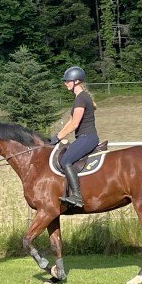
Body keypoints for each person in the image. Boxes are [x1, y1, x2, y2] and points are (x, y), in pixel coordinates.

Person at [49, 66, 99, 207]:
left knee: (65, 160)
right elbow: (70, 121)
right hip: (85, 137)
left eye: (67, 81)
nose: (65, 83)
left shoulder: (81, 98)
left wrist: (58, 137)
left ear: (76, 81)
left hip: (87, 137)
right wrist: (56, 136)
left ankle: (77, 196)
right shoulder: (81, 97)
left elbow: (75, 124)